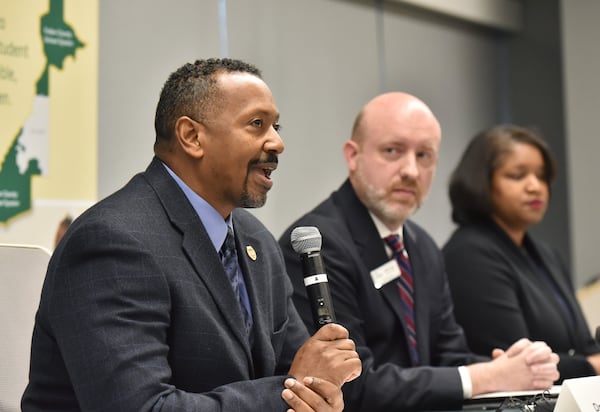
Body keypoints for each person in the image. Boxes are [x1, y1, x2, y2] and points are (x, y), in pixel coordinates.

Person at [22, 58, 361, 412]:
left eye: (276, 126)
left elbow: (298, 373)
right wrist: (289, 394)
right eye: (257, 124)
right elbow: (144, 407)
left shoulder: (256, 242)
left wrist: (318, 395)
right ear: (192, 136)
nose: (277, 143)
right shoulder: (112, 242)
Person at [278, 92, 560, 412]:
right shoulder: (320, 243)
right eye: (392, 151)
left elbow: (449, 357)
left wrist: (515, 367)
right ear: (353, 156)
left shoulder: (422, 246)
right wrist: (485, 376)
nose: (411, 170)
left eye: (424, 155)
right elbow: (351, 383)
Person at [442, 124, 600, 381]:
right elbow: (516, 361)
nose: (534, 186)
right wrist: (591, 367)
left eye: (542, 176)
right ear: (481, 182)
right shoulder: (469, 254)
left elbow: (585, 345)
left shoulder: (547, 255)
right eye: (517, 175)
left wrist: (590, 362)